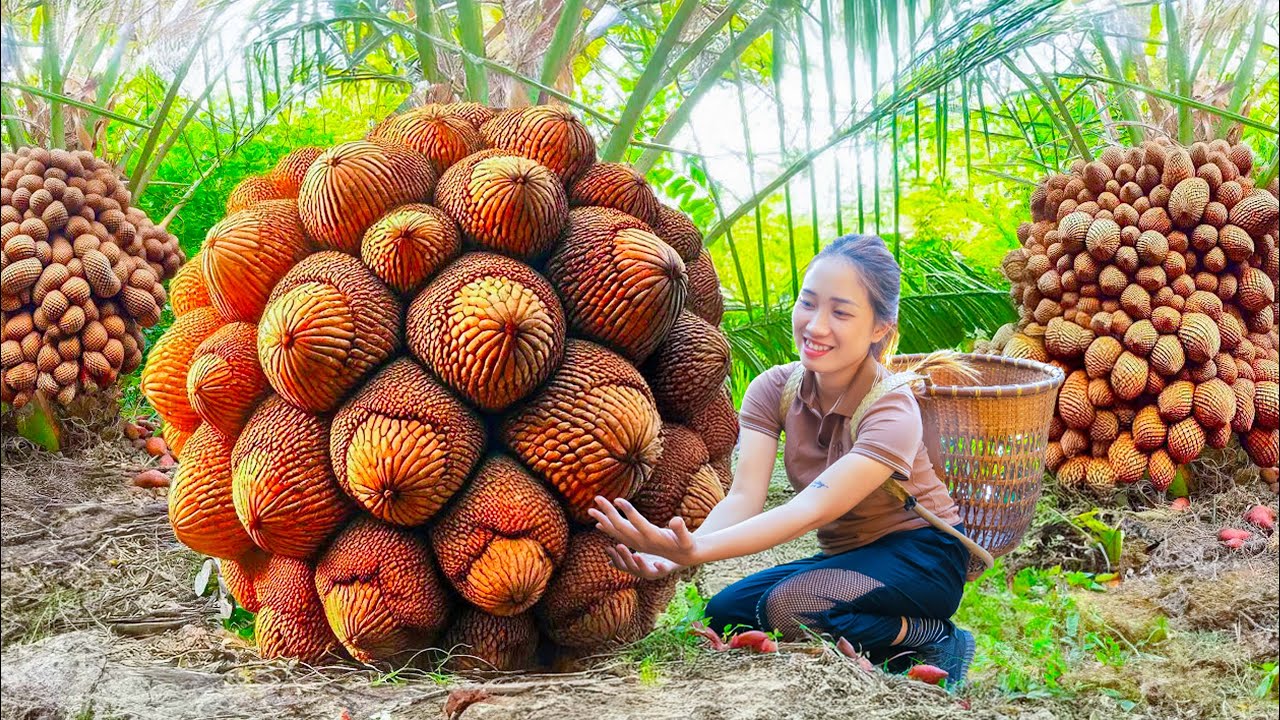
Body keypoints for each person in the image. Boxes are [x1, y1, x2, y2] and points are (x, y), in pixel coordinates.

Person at [588, 233, 977, 685]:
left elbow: (809, 510)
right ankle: (873, 631)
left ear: (879, 329)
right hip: (852, 557)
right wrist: (678, 556)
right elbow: (743, 497)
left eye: (841, 312)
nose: (815, 325)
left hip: (923, 556)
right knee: (725, 612)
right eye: (808, 303)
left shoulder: (892, 408)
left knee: (787, 608)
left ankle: (931, 637)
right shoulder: (773, 389)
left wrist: (696, 549)